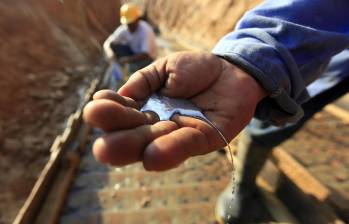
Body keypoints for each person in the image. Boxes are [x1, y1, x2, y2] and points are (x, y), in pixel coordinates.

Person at [85, 0, 349, 223]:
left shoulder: (144, 31)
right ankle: (243, 187)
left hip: (335, 70)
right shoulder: (125, 31)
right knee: (263, 124)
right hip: (327, 65)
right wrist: (250, 61)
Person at [103, 3, 157, 75]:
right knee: (114, 47)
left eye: (131, 23)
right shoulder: (125, 28)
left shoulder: (145, 30)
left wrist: (127, 60)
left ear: (137, 19)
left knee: (131, 69)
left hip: (148, 59)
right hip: (133, 53)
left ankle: (132, 73)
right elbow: (108, 43)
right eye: (127, 24)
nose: (129, 26)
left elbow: (145, 54)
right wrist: (110, 54)